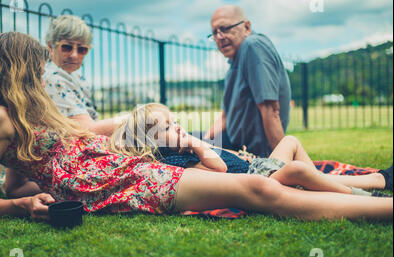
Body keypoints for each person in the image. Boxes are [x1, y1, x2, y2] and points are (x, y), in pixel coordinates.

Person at [0, 32, 392, 223]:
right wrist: (20, 206)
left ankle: (373, 194)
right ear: (18, 68)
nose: (43, 77)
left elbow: (19, 179)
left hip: (117, 170)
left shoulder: (29, 116)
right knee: (259, 189)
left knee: (259, 185)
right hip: (107, 184)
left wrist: (33, 193)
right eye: (37, 69)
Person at [109, 103, 392, 196]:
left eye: (176, 122)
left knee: (291, 142)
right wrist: (196, 144)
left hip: (257, 167)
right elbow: (218, 169)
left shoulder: (182, 149)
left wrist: (235, 153)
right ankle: (360, 195)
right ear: (152, 142)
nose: (179, 128)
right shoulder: (175, 161)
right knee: (295, 170)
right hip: (262, 179)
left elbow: (224, 156)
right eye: (169, 127)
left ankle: (372, 179)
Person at [203, 5, 291, 157]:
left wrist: (279, 162)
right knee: (175, 141)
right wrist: (203, 142)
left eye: (225, 28)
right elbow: (225, 117)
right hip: (233, 143)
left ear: (247, 27)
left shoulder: (253, 46)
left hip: (252, 152)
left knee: (167, 144)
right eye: (214, 33)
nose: (219, 37)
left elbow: (270, 109)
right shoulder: (233, 63)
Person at [44, 14, 123, 136]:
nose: (74, 55)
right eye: (67, 47)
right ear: (50, 46)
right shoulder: (51, 79)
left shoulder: (76, 77)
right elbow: (88, 130)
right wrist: (140, 119)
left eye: (82, 49)